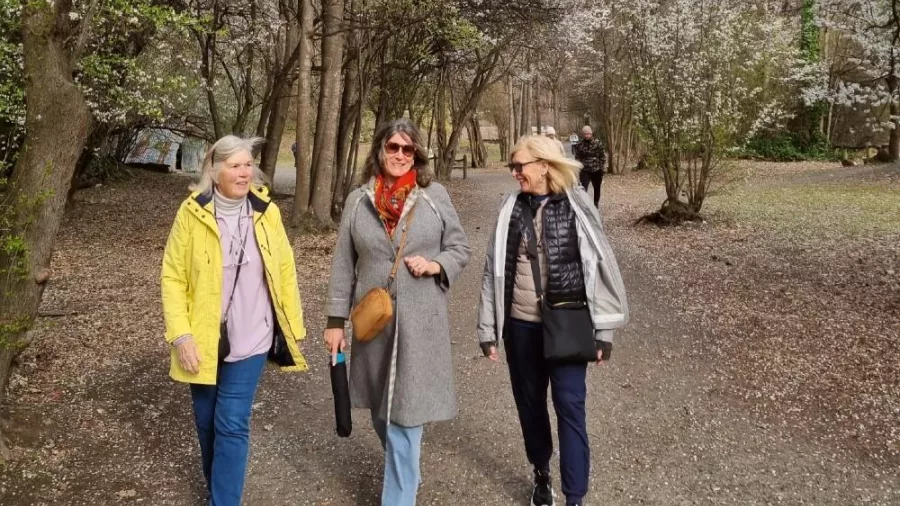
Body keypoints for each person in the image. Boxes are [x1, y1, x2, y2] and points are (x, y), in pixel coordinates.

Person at [476, 135, 629, 506]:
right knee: (530, 405)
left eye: (520, 166)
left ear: (544, 165)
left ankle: (575, 496)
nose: (515, 173)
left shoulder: (579, 207)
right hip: (521, 325)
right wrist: (487, 329)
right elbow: (492, 270)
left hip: (568, 325)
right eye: (513, 167)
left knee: (570, 407)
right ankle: (541, 470)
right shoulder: (509, 208)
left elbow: (601, 267)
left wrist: (604, 331)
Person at [324, 118, 471, 506]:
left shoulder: (433, 195)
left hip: (421, 323)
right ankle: (407, 470)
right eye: (394, 147)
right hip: (373, 323)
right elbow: (343, 263)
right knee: (379, 411)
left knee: (405, 415)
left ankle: (399, 496)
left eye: (409, 149)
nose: (401, 156)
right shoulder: (359, 200)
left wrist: (437, 265)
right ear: (380, 150)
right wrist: (335, 322)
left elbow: (460, 248)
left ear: (418, 155)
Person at [161, 135, 308, 506]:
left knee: (231, 422)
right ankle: (219, 489)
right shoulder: (191, 213)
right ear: (215, 170)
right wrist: (181, 335)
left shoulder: (266, 212)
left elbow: (285, 269)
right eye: (235, 166)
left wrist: (293, 328)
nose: (245, 173)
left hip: (252, 336)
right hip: (202, 337)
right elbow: (173, 277)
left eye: (248, 165)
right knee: (207, 422)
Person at [572, 126, 606, 207]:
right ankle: (585, 205)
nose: (587, 135)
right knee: (583, 189)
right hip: (585, 171)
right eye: (585, 134)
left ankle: (596, 204)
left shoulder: (598, 143)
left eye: (588, 134)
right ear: (583, 135)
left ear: (591, 133)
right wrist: (579, 168)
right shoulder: (580, 144)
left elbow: (602, 157)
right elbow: (577, 157)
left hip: (596, 170)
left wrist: (601, 168)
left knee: (597, 188)